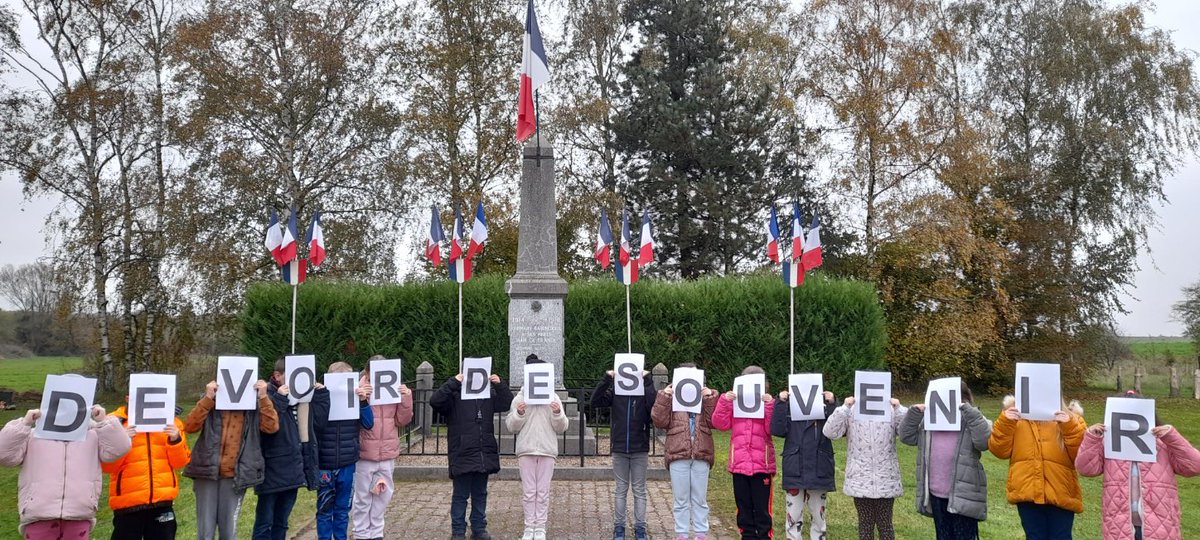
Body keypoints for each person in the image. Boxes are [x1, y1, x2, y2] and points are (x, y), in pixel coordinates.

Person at [1076, 390, 1200, 540]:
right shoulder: (1107, 443)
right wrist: (1092, 438)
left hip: (1160, 525)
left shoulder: (1163, 442)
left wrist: (1172, 436)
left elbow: (1194, 466)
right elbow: (1086, 469)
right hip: (1119, 526)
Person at [0, 402, 131, 540]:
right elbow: (4, 454)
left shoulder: (93, 435)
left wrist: (104, 422)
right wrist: (24, 424)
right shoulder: (34, 436)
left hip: (78, 514)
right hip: (39, 514)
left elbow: (120, 447)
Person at [183, 375, 280, 540]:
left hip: (235, 475)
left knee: (229, 531)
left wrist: (263, 397)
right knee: (205, 531)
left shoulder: (254, 405)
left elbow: (271, 427)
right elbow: (190, 426)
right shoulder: (211, 401)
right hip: (207, 472)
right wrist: (208, 398)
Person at [898, 381, 992, 540]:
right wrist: (914, 413)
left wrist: (969, 411)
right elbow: (906, 437)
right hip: (936, 493)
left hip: (963, 494)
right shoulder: (929, 421)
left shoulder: (971, 419)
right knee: (943, 536)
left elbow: (984, 442)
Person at [429, 365, 514, 540]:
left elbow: (506, 403)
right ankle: (458, 530)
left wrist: (500, 385)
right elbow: (435, 401)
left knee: (480, 493)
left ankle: (479, 527)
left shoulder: (488, 395)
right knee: (460, 494)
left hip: (483, 452)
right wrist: (453, 382)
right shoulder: (455, 395)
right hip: (462, 451)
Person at [988, 395, 1086, 540]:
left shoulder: (1072, 418)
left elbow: (1082, 457)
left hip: (1060, 492)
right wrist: (1005, 423)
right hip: (1027, 492)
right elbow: (999, 451)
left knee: (1061, 536)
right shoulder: (1014, 416)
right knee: (1034, 536)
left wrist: (1069, 426)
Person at [104, 395, 192, 540]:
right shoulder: (114, 423)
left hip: (162, 501)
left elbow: (180, 462)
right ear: (127, 397)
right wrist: (122, 442)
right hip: (127, 504)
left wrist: (175, 439)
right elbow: (108, 467)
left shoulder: (172, 423)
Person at [823, 392, 908, 540]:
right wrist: (844, 408)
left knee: (885, 524)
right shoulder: (852, 410)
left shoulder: (890, 410)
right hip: (860, 478)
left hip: (885, 477)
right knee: (865, 525)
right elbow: (830, 432)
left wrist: (899, 409)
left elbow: (907, 433)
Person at [252, 359, 319, 540]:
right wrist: (280, 399)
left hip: (292, 469)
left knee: (282, 521)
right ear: (277, 376)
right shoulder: (265, 395)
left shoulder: (301, 399)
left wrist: (323, 393)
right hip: (272, 469)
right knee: (264, 522)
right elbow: (268, 426)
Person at [505, 354, 569, 540]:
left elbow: (562, 427)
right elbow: (511, 426)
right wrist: (519, 413)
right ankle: (529, 527)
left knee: (542, 491)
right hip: (526, 449)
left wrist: (557, 412)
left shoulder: (553, 397)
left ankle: (540, 527)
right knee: (529, 491)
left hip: (547, 450)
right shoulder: (520, 398)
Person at [651, 363, 718, 540]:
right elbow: (659, 420)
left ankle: (701, 533)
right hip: (678, 452)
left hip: (701, 452)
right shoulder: (672, 398)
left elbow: (715, 422)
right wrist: (664, 396)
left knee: (699, 498)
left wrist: (710, 398)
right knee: (680, 498)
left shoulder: (706, 398)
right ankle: (682, 533)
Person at [592, 364, 657, 540]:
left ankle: (640, 528)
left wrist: (648, 382)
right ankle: (619, 527)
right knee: (621, 489)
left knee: (639, 490)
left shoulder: (644, 393)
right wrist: (607, 379)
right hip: (620, 447)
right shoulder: (616, 393)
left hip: (639, 448)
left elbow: (654, 406)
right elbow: (595, 401)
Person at [311, 362, 374, 540]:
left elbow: (369, 424)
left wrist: (362, 401)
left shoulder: (354, 399)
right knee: (324, 509)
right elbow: (314, 425)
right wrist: (320, 396)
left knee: (342, 509)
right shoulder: (321, 397)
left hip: (347, 463)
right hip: (325, 462)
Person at [712, 366, 776, 540]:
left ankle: (764, 536)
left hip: (761, 465)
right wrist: (725, 401)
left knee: (762, 509)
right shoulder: (734, 403)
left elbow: (772, 428)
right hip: (739, 464)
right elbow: (720, 423)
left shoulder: (767, 403)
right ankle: (747, 536)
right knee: (743, 507)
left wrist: (769, 405)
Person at [354, 356, 414, 540]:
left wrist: (406, 398)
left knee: (383, 495)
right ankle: (361, 533)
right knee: (362, 497)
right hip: (365, 452)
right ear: (367, 372)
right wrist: (359, 397)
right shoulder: (357, 388)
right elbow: (351, 420)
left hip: (387, 451)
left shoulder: (392, 387)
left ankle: (376, 533)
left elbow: (402, 420)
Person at [772, 386, 838, 540]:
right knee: (793, 516)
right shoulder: (789, 408)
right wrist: (781, 403)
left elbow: (836, 430)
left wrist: (832, 404)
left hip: (819, 468)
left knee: (818, 516)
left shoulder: (824, 409)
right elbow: (777, 429)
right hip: (795, 468)